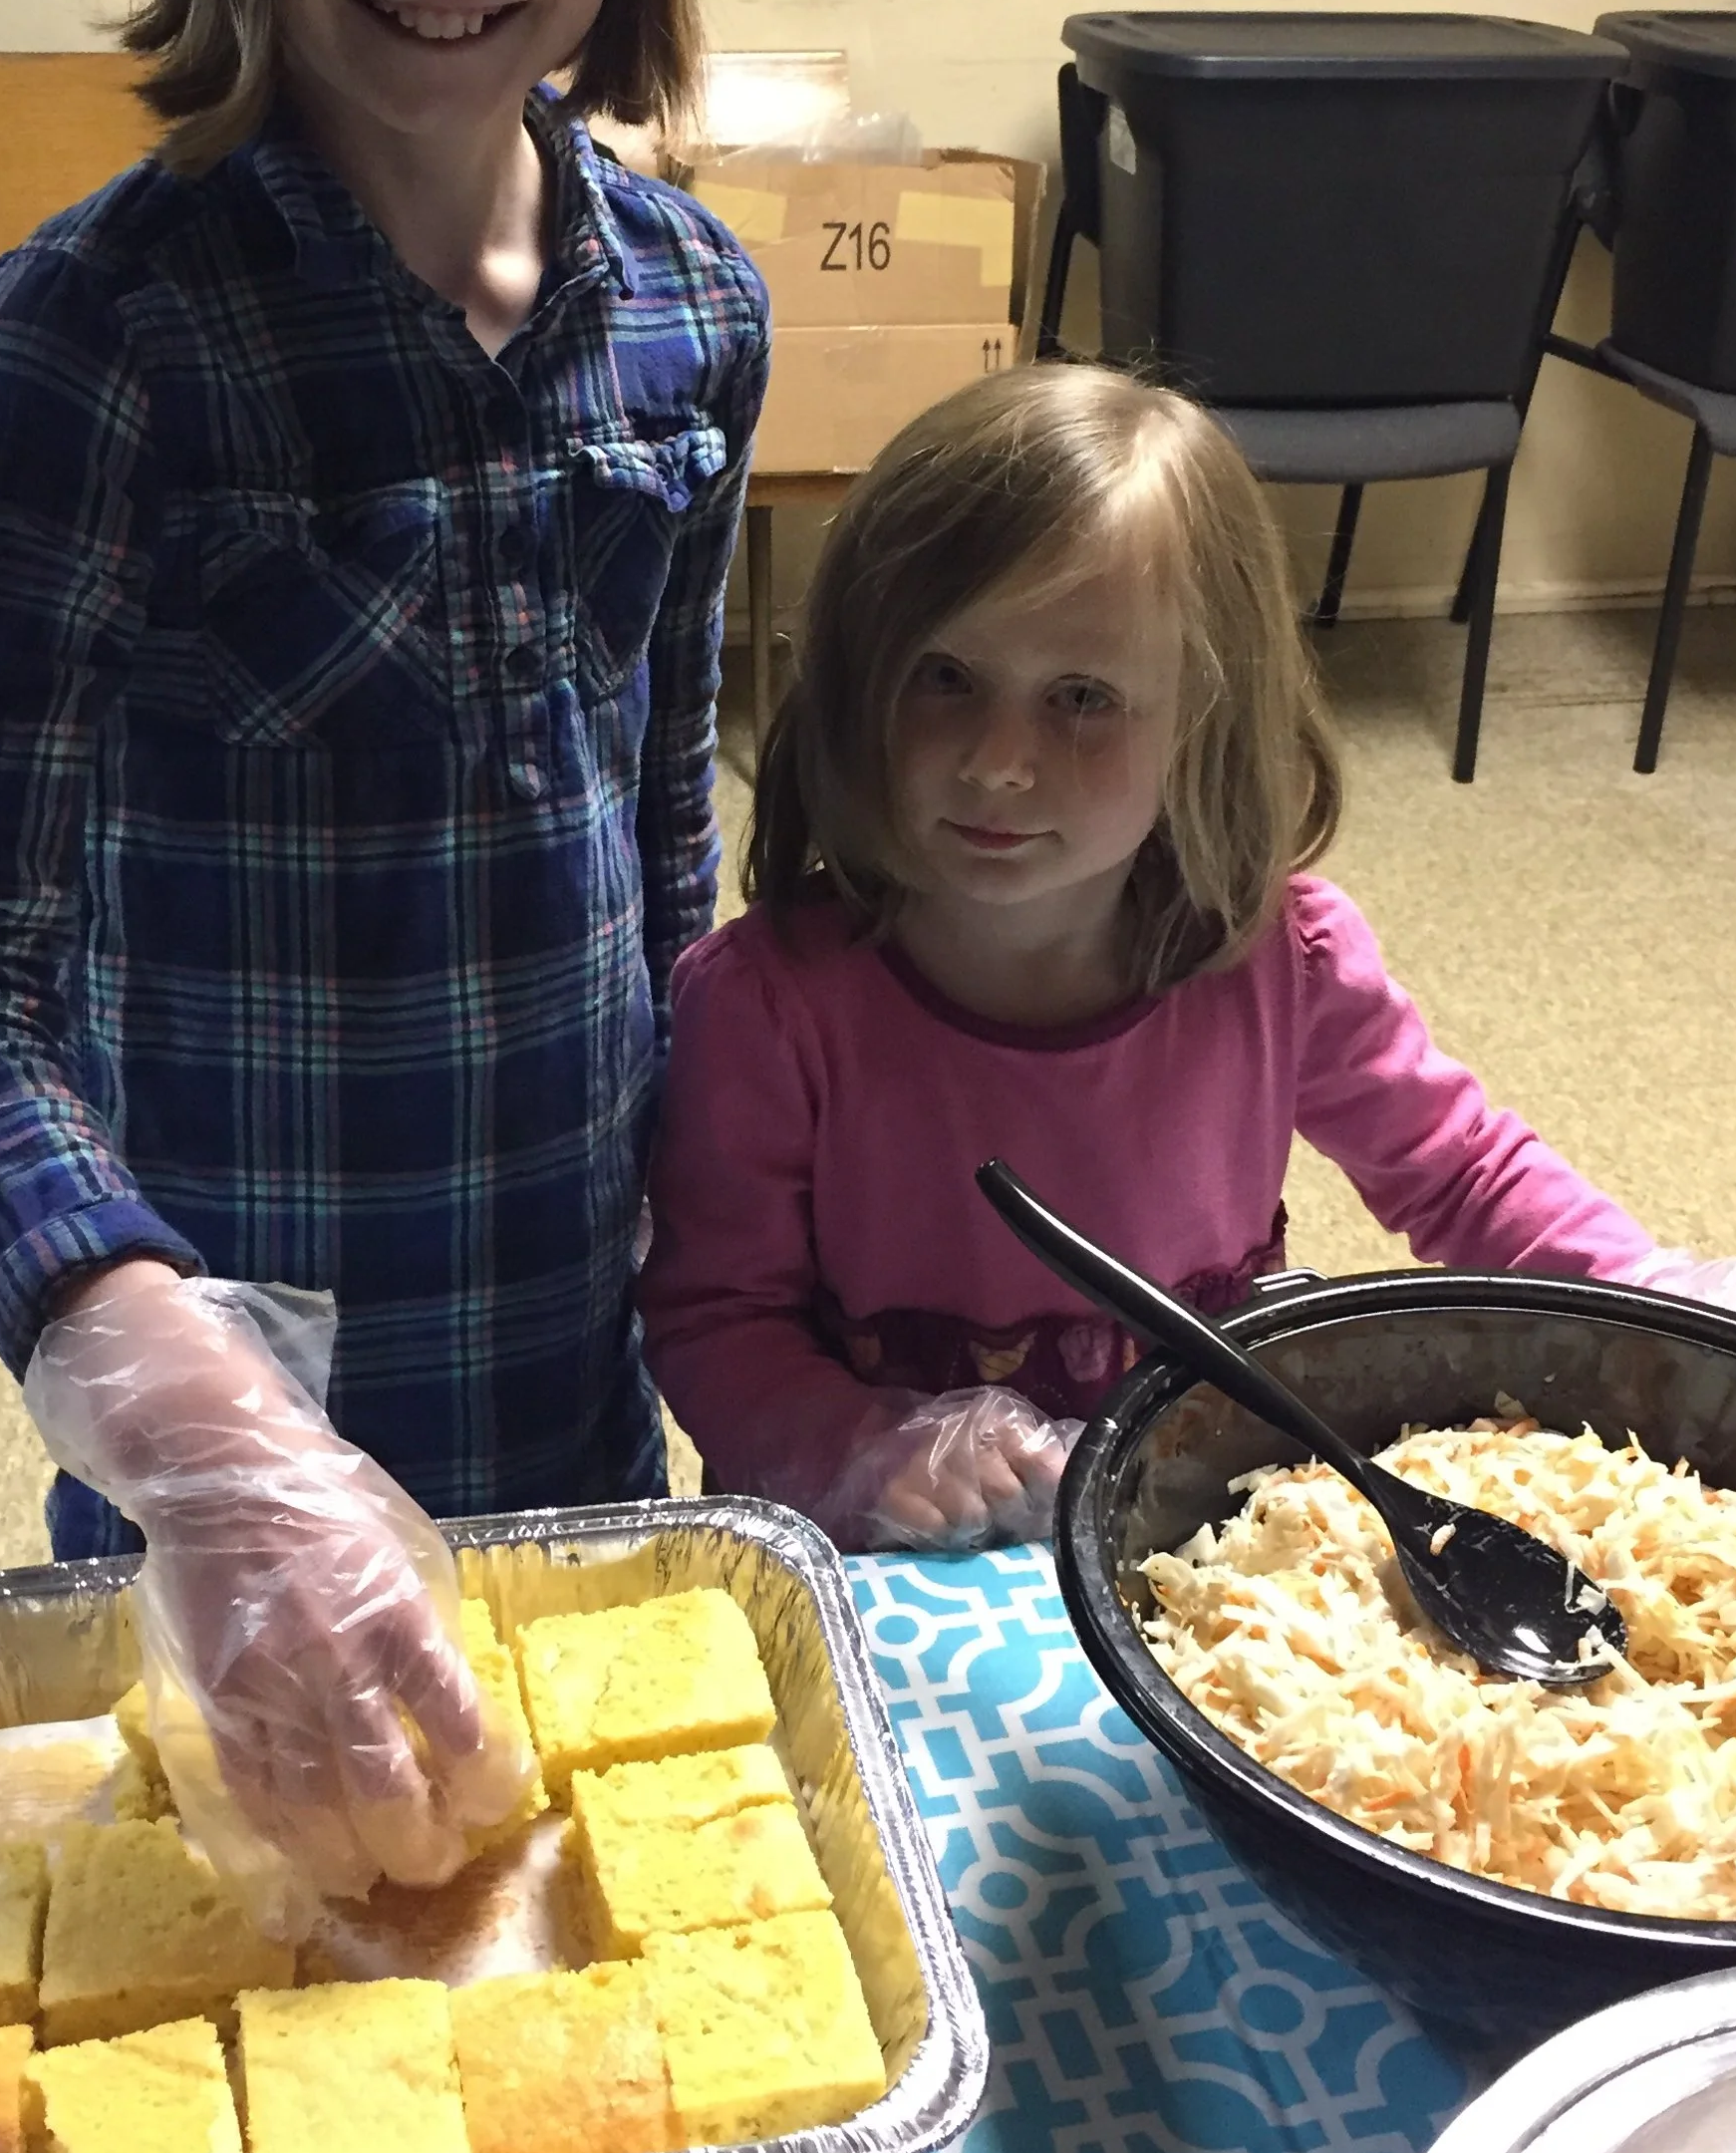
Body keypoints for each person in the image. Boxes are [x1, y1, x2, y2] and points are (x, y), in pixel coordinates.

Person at [0, 0, 766, 1894]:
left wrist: (789, 1287)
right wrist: (212, 1439)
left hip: (578, 1411)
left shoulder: (694, 316)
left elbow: (668, 865)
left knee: (571, 2021)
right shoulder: (95, 349)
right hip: (208, 1473)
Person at [639, 362, 1665, 1550]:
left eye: (1081, 697)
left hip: (1183, 1548)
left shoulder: (1286, 962)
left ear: (1204, 723)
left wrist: (1664, 1305)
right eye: (946, 678)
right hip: (890, 1564)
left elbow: (1464, 1179)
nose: (996, 762)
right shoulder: (767, 1007)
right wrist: (865, 1446)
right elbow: (717, 1320)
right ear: (858, 674)